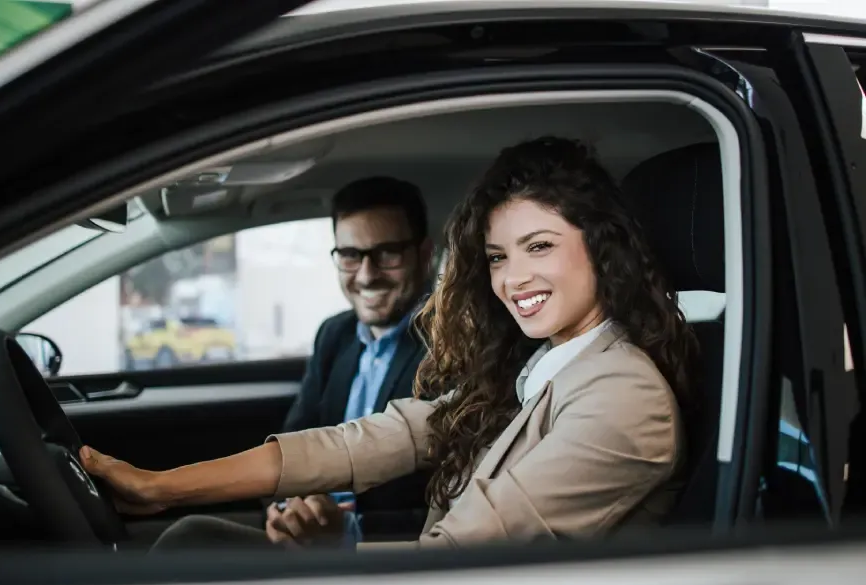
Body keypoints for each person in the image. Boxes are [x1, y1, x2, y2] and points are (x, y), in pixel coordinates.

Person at [80, 137, 698, 550]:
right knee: (192, 540)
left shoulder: (621, 397)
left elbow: (463, 563)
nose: (512, 279)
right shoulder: (540, 365)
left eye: (540, 247)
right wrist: (158, 486)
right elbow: (370, 440)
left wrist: (340, 554)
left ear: (601, 248)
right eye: (497, 257)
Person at [279, 176, 436, 542]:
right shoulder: (335, 334)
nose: (367, 275)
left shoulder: (457, 345)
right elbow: (295, 440)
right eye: (350, 255)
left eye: (388, 253)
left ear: (424, 254)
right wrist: (289, 508)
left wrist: (352, 533)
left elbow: (458, 502)